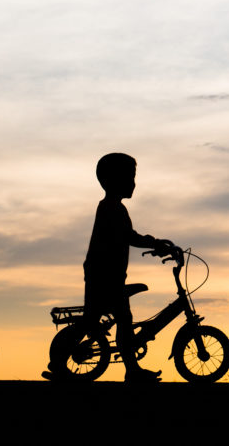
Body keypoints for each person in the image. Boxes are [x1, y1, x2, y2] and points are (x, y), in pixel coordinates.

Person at [47, 152, 169, 382]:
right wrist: (155, 244)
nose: (134, 183)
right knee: (113, 319)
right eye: (130, 177)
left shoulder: (112, 207)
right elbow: (128, 236)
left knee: (103, 319)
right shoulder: (111, 208)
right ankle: (130, 371)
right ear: (114, 180)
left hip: (104, 273)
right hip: (104, 275)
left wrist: (153, 243)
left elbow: (127, 236)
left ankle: (130, 370)